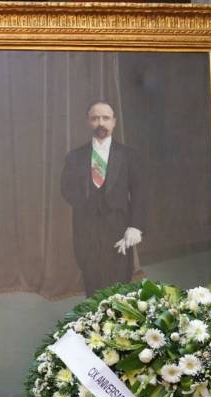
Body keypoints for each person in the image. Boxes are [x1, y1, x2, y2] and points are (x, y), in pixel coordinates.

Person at [61, 101, 146, 297]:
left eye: (106, 118)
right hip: (86, 227)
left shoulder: (128, 155)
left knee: (119, 282)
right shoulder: (75, 157)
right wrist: (87, 204)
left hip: (118, 226)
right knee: (92, 277)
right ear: (88, 122)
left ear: (114, 122)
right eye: (95, 118)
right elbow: (66, 188)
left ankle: (118, 323)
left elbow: (140, 192)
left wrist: (135, 226)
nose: (101, 123)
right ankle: (95, 322)